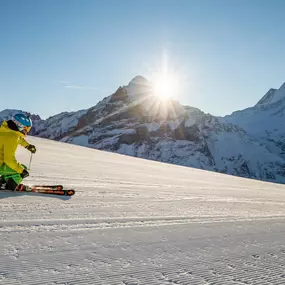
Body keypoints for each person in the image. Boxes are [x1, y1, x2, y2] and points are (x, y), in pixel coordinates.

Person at [0, 113, 37, 190]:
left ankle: (2, 181)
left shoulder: (5, 130)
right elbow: (9, 159)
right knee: (21, 169)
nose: (27, 131)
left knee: (13, 167)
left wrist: (28, 146)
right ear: (20, 126)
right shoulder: (12, 137)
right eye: (27, 129)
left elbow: (19, 139)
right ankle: (10, 185)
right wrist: (22, 171)